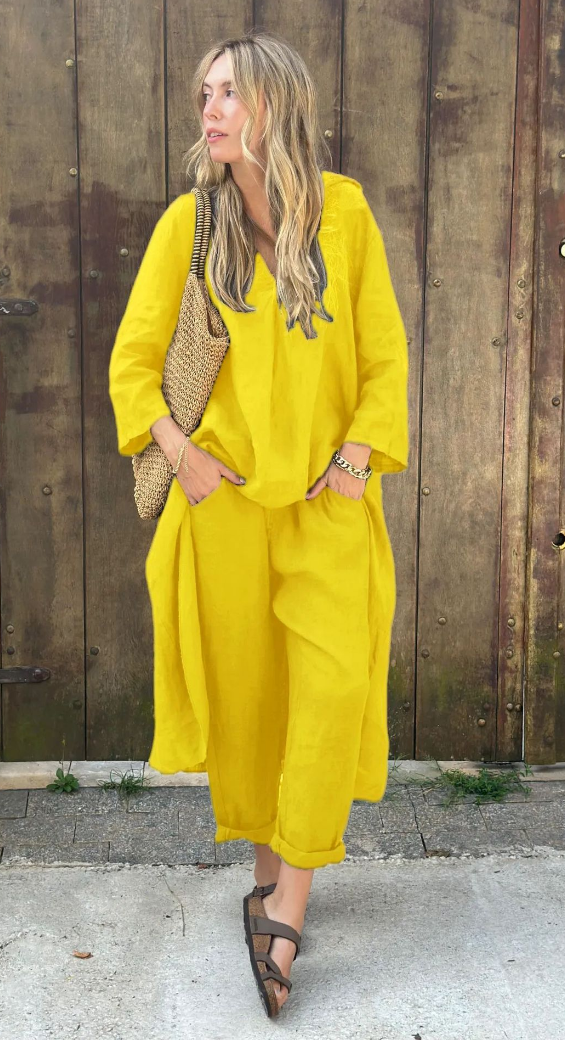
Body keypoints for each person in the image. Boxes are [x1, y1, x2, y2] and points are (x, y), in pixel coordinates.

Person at [108, 29, 409, 1017]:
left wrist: (357, 458)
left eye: (230, 92)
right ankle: (270, 880)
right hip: (227, 510)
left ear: (277, 103)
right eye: (206, 93)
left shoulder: (344, 213)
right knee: (252, 703)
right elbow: (133, 362)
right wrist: (182, 454)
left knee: (326, 693)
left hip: (327, 506)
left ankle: (286, 904)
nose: (211, 110)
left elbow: (384, 355)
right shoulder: (191, 224)